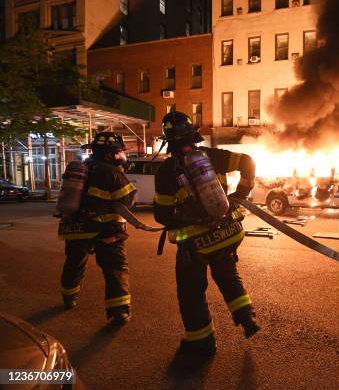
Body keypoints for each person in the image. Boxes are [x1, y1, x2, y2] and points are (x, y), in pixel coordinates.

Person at [154, 111, 259, 357]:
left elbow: (162, 214)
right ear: (193, 133)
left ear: (168, 140)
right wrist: (240, 195)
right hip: (228, 233)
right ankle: (247, 319)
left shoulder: (167, 171)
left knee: (191, 291)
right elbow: (248, 163)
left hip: (195, 244)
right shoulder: (214, 156)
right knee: (228, 275)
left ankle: (201, 342)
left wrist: (180, 219)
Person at [58, 132, 136, 326]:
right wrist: (122, 173)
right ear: (110, 154)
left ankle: (69, 297)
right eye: (118, 152)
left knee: (74, 263)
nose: (120, 156)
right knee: (115, 268)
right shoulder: (111, 171)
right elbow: (128, 200)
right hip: (106, 229)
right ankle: (119, 312)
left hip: (77, 227)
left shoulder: (82, 168)